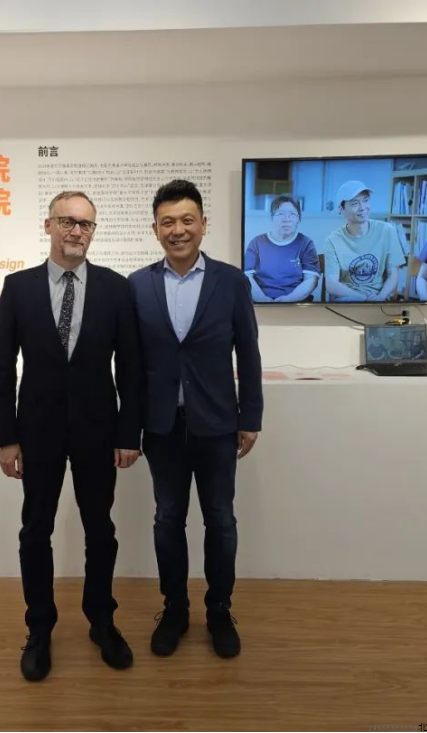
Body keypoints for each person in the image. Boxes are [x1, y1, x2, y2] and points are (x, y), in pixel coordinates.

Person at [0, 191, 143, 682]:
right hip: (36, 431)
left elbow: (131, 369)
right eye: (68, 222)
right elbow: (2, 369)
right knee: (36, 530)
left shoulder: (116, 289)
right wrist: (6, 437)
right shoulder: (18, 288)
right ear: (49, 225)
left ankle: (102, 621)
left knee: (101, 530)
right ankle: (39, 629)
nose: (77, 231)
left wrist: (129, 433)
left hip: (99, 431)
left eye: (86, 224)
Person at [128, 179, 263, 660]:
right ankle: (175, 609)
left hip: (218, 424)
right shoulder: (137, 285)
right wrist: (128, 428)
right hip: (161, 426)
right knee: (167, 520)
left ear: (204, 224)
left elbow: (248, 352)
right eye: (167, 222)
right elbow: (129, 365)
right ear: (155, 230)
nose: (178, 230)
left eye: (187, 220)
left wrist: (251, 416)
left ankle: (219, 610)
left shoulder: (231, 281)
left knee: (220, 520)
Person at [323, 180, 406, 302]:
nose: (363, 208)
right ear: (341, 209)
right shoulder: (333, 241)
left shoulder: (387, 231)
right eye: (355, 203)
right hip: (348, 298)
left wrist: (381, 296)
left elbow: (393, 274)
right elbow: (331, 285)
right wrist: (364, 299)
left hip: (379, 298)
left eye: (366, 200)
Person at [244, 195, 321, 302]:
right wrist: (263, 300)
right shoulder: (256, 243)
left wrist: (289, 299)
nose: (287, 219)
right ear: (272, 216)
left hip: (296, 304)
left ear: (298, 218)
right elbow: (247, 277)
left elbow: (311, 281)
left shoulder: (306, 243)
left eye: (292, 214)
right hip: (261, 303)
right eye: (281, 214)